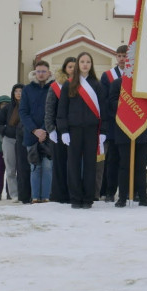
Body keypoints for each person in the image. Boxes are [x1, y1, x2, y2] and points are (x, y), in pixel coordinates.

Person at [57, 51, 107, 209]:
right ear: (78, 64)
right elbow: (62, 110)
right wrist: (63, 130)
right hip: (73, 130)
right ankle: (75, 198)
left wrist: (103, 132)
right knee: (73, 164)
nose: (85, 64)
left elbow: (104, 110)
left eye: (88, 62)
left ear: (91, 65)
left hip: (92, 130)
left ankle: (88, 198)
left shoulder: (97, 85)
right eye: (82, 61)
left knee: (91, 165)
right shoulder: (69, 84)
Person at [108, 76, 147, 206]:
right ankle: (122, 197)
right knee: (124, 166)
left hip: (144, 131)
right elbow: (111, 104)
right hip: (124, 130)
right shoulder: (117, 84)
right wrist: (129, 106)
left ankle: (142, 196)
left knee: (141, 167)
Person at [21, 60, 53, 203]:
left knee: (47, 167)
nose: (40, 74)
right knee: (35, 166)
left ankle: (45, 197)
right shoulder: (27, 89)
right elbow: (23, 112)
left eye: (43, 71)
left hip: (48, 135)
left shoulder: (53, 88)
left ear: (48, 73)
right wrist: (35, 130)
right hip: (32, 135)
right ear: (35, 73)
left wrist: (44, 130)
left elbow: (53, 111)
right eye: (38, 71)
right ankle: (35, 197)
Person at [99, 45, 128, 202]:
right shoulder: (108, 76)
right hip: (114, 124)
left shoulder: (136, 75)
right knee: (113, 160)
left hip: (131, 124)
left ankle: (132, 190)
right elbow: (104, 101)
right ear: (116, 57)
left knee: (129, 160)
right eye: (120, 56)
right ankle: (110, 191)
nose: (122, 59)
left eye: (125, 56)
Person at [45, 57, 75, 204]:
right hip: (58, 131)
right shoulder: (55, 86)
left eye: (75, 67)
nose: (72, 69)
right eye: (70, 67)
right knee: (59, 163)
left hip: (75, 131)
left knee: (73, 164)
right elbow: (49, 110)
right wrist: (51, 129)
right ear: (64, 68)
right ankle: (59, 194)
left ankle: (72, 193)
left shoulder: (82, 85)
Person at [0, 83, 25, 201]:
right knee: (10, 168)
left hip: (23, 139)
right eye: (16, 91)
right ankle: (14, 194)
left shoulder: (28, 106)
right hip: (9, 139)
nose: (18, 93)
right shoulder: (8, 108)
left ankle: (24, 192)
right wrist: (5, 130)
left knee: (23, 168)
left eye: (21, 91)